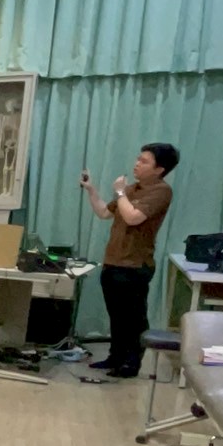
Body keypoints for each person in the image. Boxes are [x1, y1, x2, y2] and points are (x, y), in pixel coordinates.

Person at [81, 143, 178, 378]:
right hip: (113, 262)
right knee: (116, 315)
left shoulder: (161, 191)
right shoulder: (131, 190)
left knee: (134, 318)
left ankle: (131, 363)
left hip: (135, 265)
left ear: (159, 169)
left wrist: (120, 193)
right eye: (138, 159)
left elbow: (134, 217)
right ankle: (115, 357)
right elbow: (104, 212)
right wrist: (91, 190)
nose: (136, 164)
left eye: (144, 161)